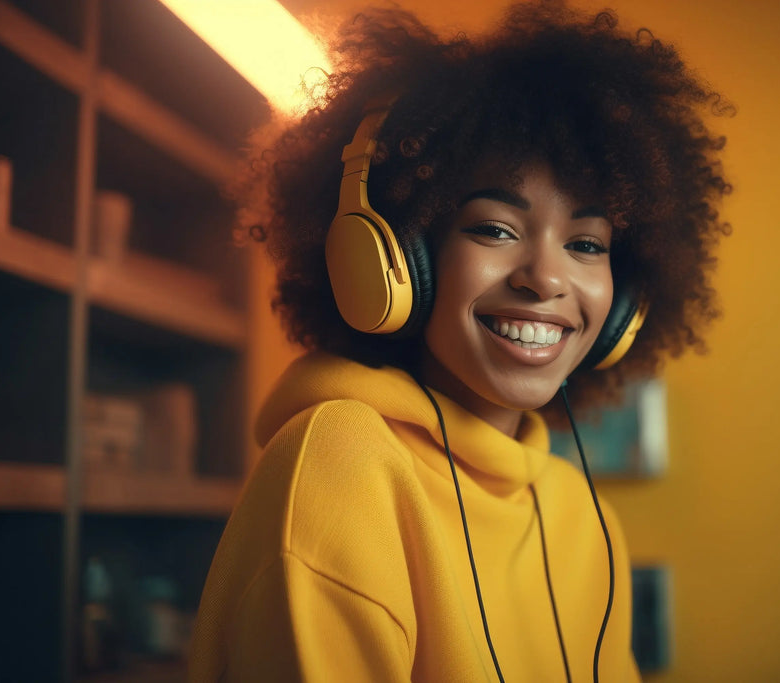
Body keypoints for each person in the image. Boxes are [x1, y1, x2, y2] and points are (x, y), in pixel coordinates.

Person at [188, 1, 730, 680]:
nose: (545, 278)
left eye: (587, 243)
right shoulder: (341, 462)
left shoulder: (582, 520)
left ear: (625, 299)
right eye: (496, 229)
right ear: (395, 254)